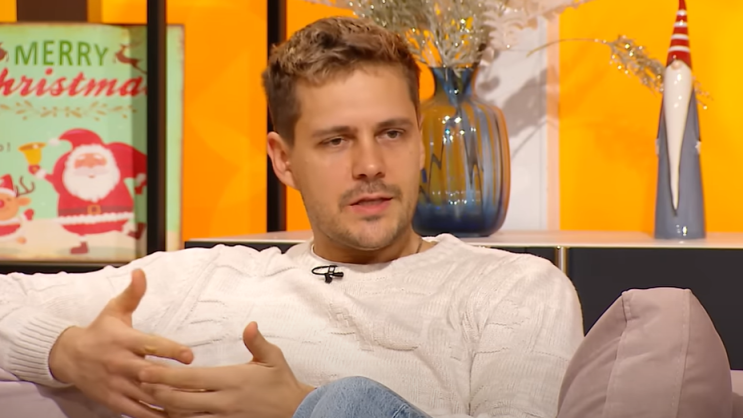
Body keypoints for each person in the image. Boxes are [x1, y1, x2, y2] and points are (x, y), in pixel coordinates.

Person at [0, 16, 583, 418]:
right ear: (283, 160)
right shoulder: (207, 280)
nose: (371, 165)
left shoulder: (514, 289)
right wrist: (65, 351)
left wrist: (302, 408)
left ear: (420, 141)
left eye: (392, 133)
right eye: (336, 141)